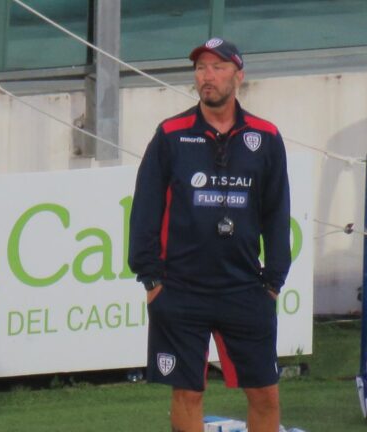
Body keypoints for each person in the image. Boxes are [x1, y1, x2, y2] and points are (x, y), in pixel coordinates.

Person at [128, 38, 291, 432]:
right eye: (201, 68)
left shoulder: (265, 137)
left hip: (244, 289)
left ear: (239, 76)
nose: (208, 77)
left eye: (218, 67)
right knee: (187, 393)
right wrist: (151, 279)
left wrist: (274, 281)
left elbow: (276, 212)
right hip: (181, 289)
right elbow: (145, 210)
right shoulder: (170, 134)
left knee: (265, 393)